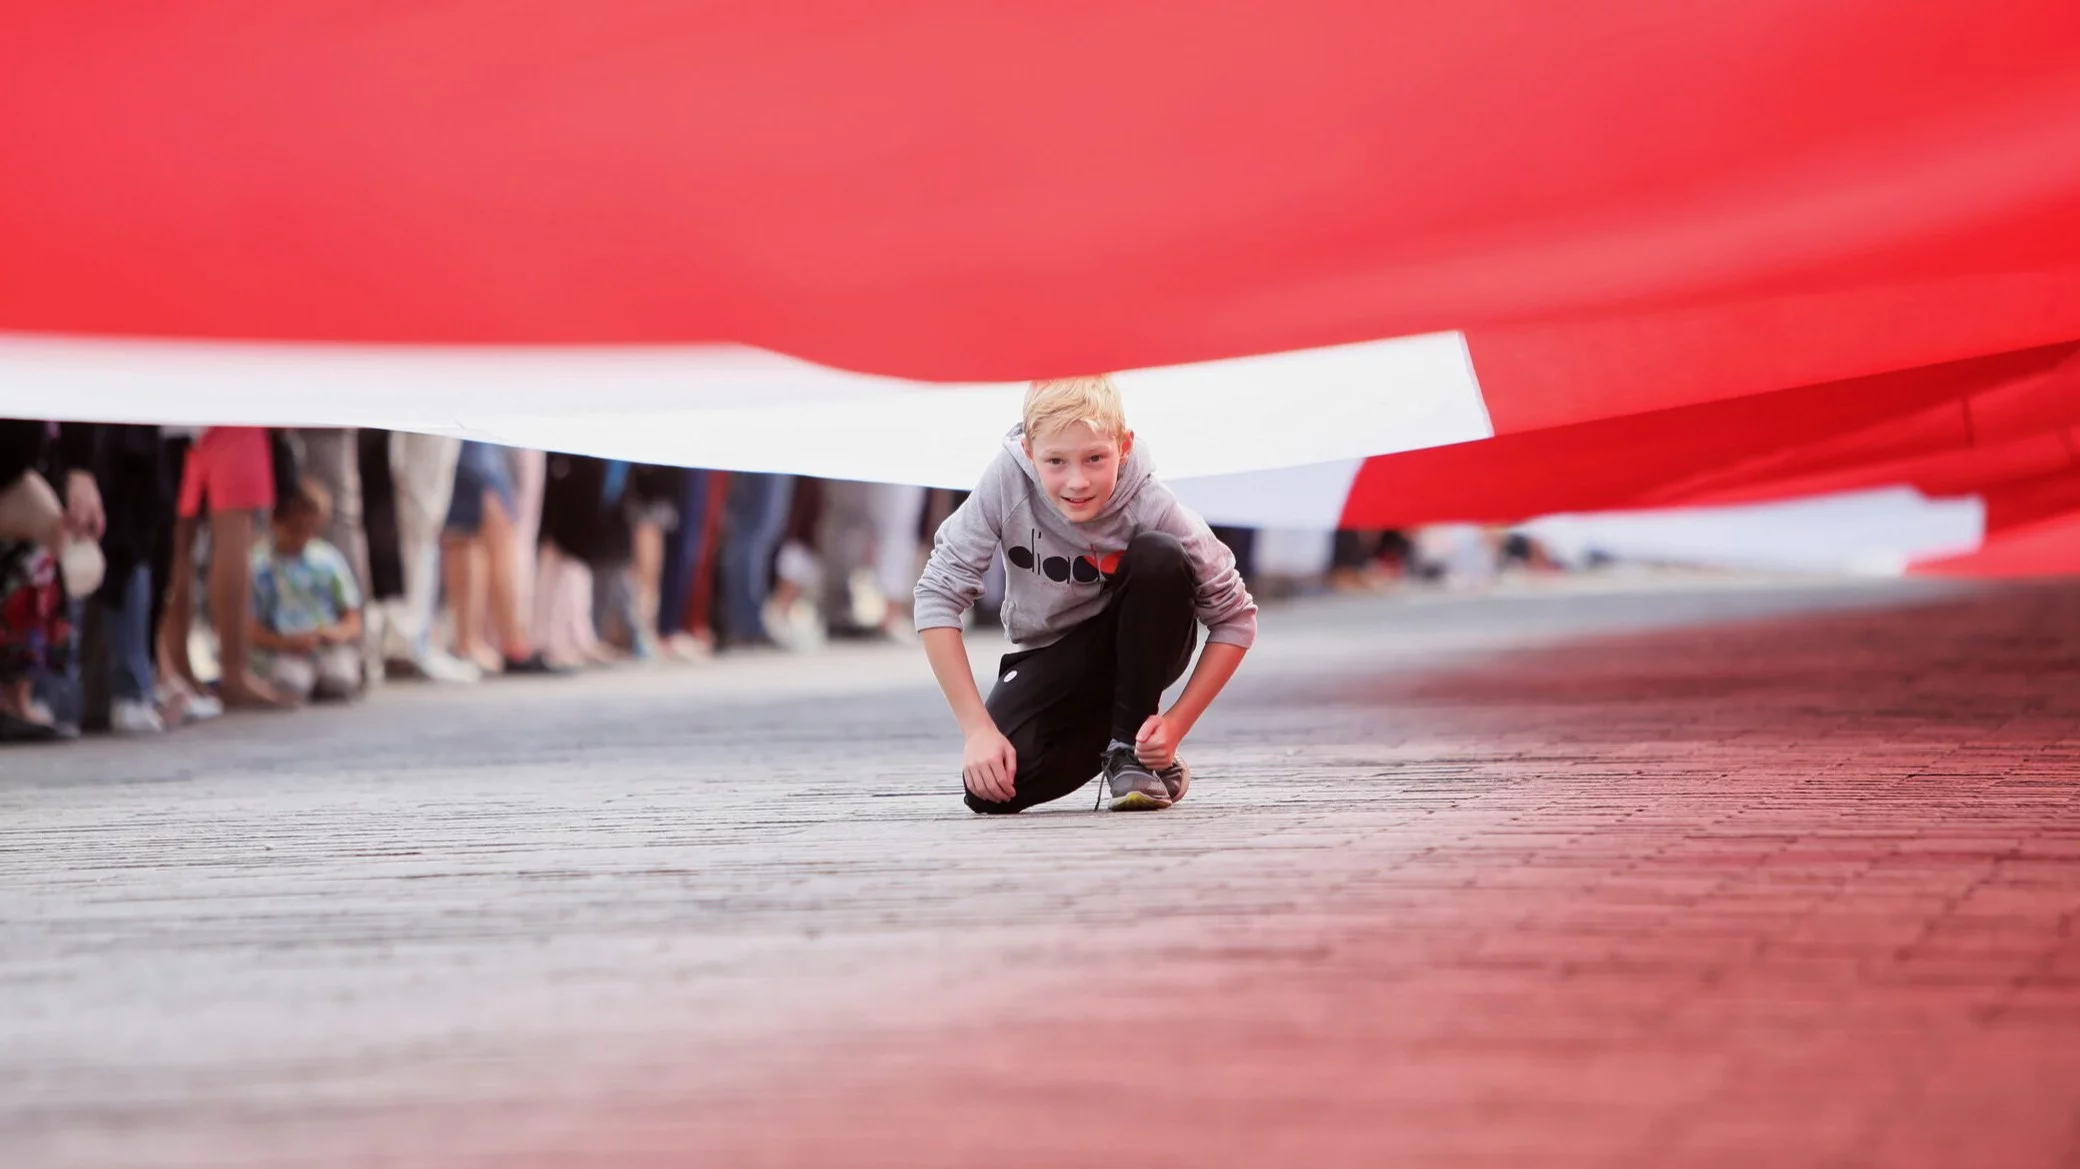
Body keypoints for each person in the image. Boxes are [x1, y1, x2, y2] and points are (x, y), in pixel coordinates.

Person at [913, 375, 1257, 814]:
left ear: (1124, 446)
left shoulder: (1150, 502)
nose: (1077, 481)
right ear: (1029, 453)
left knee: (1159, 554)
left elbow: (1236, 618)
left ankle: (1133, 753)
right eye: (1056, 461)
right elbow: (936, 594)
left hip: (1144, 644)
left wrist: (1176, 723)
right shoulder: (1005, 481)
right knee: (990, 790)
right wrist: (976, 729)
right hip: (1052, 655)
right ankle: (1141, 751)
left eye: (1095, 458)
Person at [161, 426, 290, 707]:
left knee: (176, 545)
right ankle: (234, 672)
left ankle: (177, 671)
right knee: (232, 539)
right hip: (232, 408)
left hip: (172, 414)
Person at [249, 478, 364, 703]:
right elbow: (250, 627)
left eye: (310, 529)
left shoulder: (327, 560)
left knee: (339, 681)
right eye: (294, 529)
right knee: (290, 684)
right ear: (276, 521)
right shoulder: (260, 565)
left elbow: (352, 618)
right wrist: (285, 643)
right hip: (280, 650)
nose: (301, 537)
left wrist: (334, 634)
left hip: (325, 649)